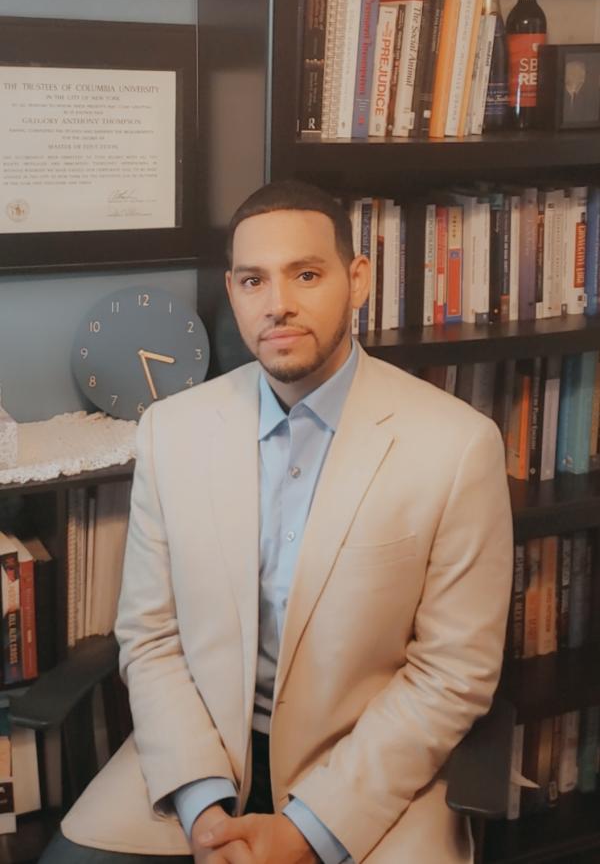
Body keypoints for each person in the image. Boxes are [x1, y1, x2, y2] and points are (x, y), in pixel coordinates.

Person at [41, 180, 513, 864]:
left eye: (307, 274)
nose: (278, 303)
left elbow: (452, 673)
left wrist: (304, 830)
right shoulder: (171, 432)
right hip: (196, 761)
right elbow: (149, 636)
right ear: (232, 291)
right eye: (253, 279)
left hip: (367, 775)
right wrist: (204, 808)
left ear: (357, 281)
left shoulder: (458, 445)